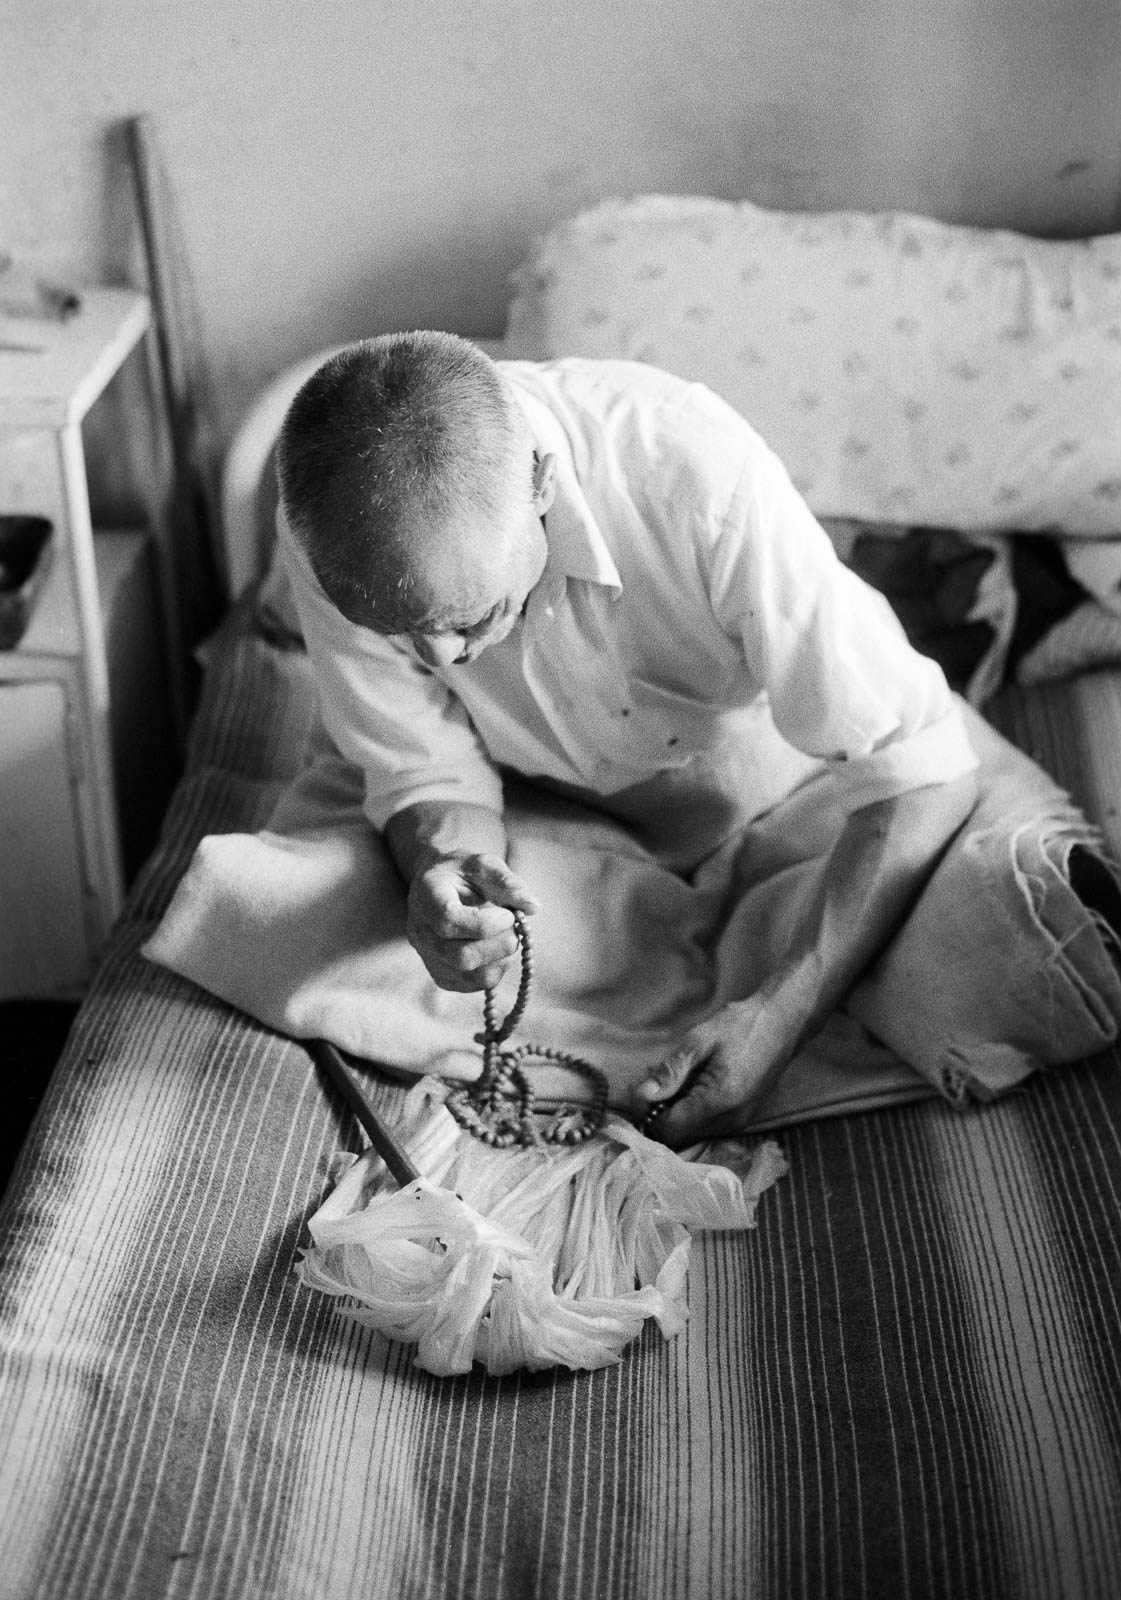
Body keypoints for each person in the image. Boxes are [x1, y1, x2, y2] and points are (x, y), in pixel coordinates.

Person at [274, 330, 980, 1145]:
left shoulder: (698, 478)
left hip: (758, 785)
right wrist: (442, 874)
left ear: (541, 481)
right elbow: (423, 764)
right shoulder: (328, 524)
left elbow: (918, 762)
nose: (435, 657)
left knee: (980, 953)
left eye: (466, 619)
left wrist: (776, 1019)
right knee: (279, 930)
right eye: (395, 629)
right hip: (524, 804)